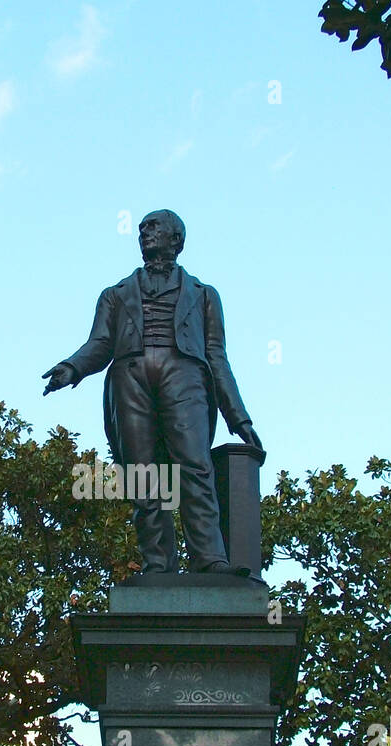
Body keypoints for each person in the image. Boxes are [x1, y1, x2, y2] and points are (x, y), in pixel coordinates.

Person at [42, 209, 262, 574]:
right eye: (141, 228)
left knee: (195, 466)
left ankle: (210, 559)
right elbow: (99, 343)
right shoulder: (114, 294)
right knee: (143, 474)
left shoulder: (205, 295)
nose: (145, 232)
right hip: (130, 378)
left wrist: (238, 416)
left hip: (186, 375)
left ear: (177, 239)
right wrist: (72, 367)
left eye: (154, 227)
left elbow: (217, 357)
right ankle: (158, 564)